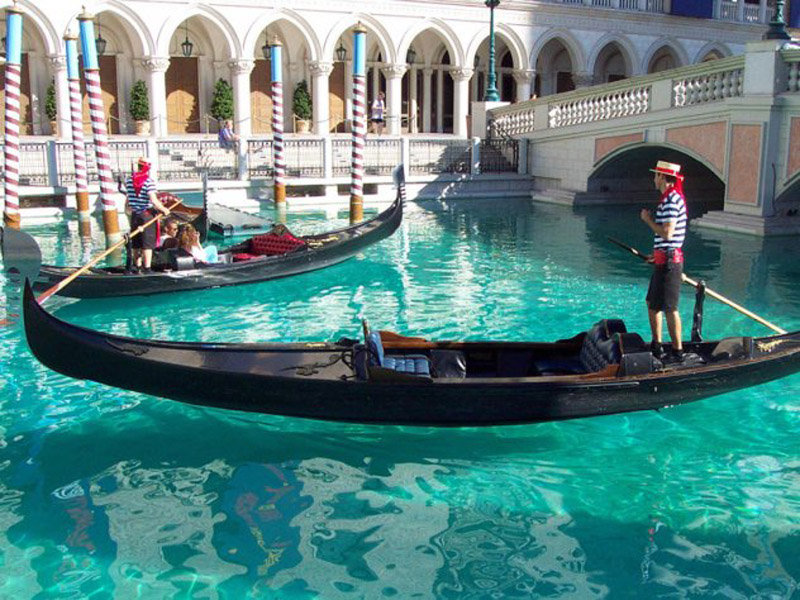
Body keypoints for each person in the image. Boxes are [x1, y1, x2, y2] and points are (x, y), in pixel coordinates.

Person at [640, 160, 688, 361]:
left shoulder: (671, 201)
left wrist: (648, 220)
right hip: (664, 259)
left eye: (655, 175)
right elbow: (667, 240)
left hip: (670, 263)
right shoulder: (669, 199)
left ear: (661, 176)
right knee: (652, 304)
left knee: (670, 308)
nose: (654, 179)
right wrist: (657, 255)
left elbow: (668, 233)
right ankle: (657, 346)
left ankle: (678, 352)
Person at [124, 157, 170, 272]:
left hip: (135, 215)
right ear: (147, 168)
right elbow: (153, 200)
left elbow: (128, 199)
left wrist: (128, 211)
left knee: (136, 243)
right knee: (147, 243)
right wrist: (164, 210)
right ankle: (147, 268)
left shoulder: (129, 181)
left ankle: (137, 267)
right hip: (147, 216)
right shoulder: (149, 182)